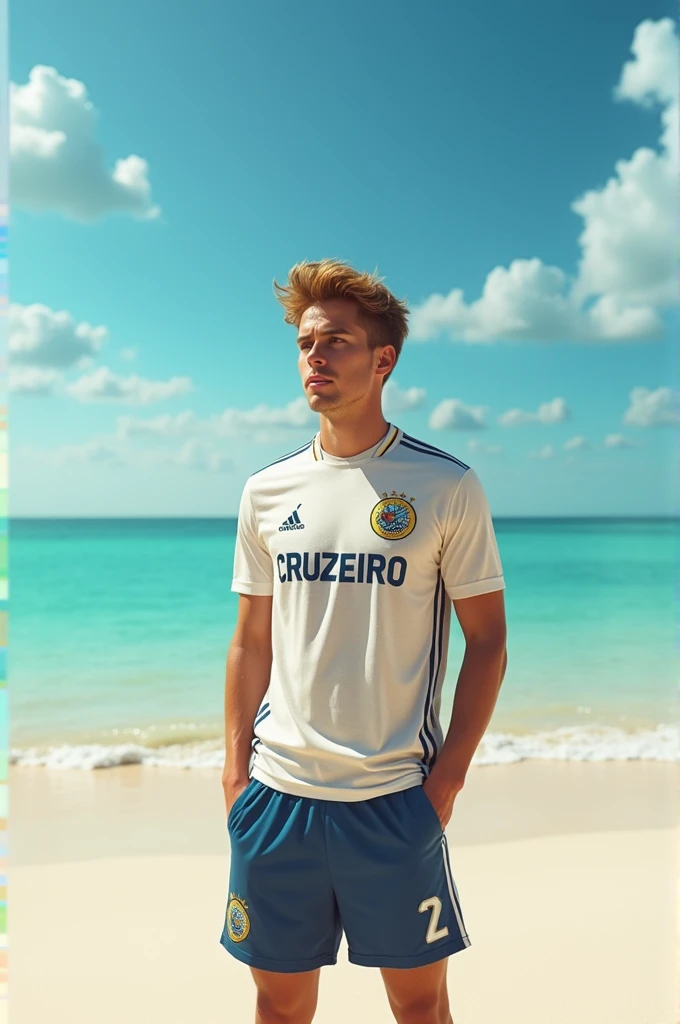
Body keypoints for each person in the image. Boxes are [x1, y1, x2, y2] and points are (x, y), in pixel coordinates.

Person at [220, 258, 508, 1024]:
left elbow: (488, 643)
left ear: (383, 359)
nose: (315, 356)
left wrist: (444, 785)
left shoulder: (447, 486)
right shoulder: (266, 490)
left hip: (391, 799)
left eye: (336, 341)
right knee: (278, 1010)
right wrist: (232, 773)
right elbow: (251, 641)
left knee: (419, 1008)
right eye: (307, 342)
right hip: (276, 796)